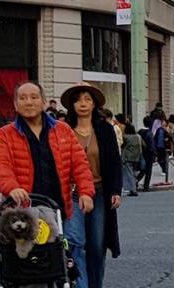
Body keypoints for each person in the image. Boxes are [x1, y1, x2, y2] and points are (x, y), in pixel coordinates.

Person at [0, 81, 95, 231]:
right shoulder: (5, 134)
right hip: (22, 210)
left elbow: (80, 165)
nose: (29, 102)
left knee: (65, 247)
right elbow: (1, 166)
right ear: (15, 104)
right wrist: (12, 188)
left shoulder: (62, 129)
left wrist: (85, 192)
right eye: (22, 98)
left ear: (44, 102)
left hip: (58, 207)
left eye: (34, 97)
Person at [61, 83, 123, 288]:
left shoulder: (104, 129)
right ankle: (80, 284)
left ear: (94, 103)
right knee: (76, 243)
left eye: (87, 99)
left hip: (99, 192)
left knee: (96, 245)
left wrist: (116, 190)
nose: (83, 104)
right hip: (72, 192)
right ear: (72, 105)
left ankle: (95, 284)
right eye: (78, 100)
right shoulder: (63, 129)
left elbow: (114, 161)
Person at [119, 116, 142, 197]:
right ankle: (133, 188)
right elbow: (144, 145)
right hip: (136, 157)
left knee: (129, 173)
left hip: (128, 157)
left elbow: (121, 144)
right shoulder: (137, 137)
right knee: (133, 173)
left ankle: (133, 189)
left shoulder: (125, 137)